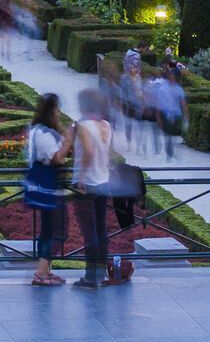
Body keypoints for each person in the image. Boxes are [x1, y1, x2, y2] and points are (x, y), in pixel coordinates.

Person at [70, 88, 122, 289]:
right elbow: (109, 153)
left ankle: (90, 277)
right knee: (101, 229)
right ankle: (99, 273)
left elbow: (89, 152)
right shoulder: (106, 125)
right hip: (104, 180)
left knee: (89, 231)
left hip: (88, 183)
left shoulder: (83, 126)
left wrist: (81, 177)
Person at [24, 94, 73, 286]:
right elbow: (56, 158)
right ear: (51, 110)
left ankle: (45, 270)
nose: (59, 112)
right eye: (57, 108)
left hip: (45, 185)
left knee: (51, 229)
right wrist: (68, 139)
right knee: (54, 230)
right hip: (47, 186)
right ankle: (41, 272)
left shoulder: (38, 130)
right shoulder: (43, 133)